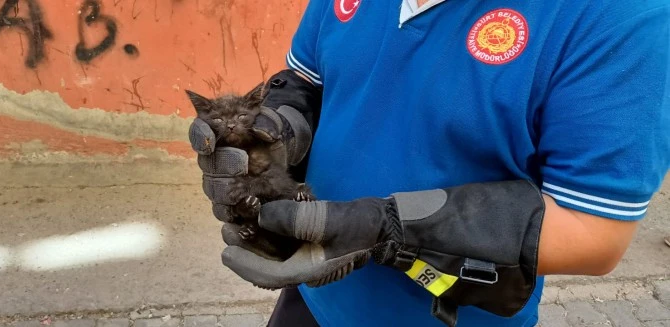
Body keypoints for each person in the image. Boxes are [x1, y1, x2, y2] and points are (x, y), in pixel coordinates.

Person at [188, 0, 670, 326]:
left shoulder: (619, 16)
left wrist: (384, 227)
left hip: (447, 316)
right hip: (312, 296)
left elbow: (594, 235)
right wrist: (281, 127)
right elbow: (310, 80)